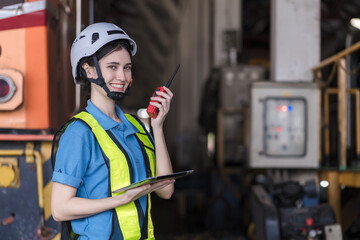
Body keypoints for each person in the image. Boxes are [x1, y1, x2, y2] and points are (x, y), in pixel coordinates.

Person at [51, 22, 174, 240]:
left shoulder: (135, 126)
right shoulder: (79, 132)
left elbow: (165, 189)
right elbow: (60, 209)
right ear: (87, 69)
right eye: (112, 67)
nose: (122, 76)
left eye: (127, 67)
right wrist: (121, 199)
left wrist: (158, 127)